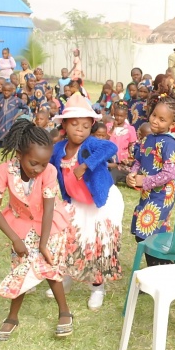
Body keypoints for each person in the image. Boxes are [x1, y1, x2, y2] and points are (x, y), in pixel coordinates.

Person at [0, 119, 72, 340]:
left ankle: (64, 311)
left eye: (43, 164)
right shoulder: (1, 172)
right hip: (21, 226)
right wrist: (15, 239)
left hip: (50, 224)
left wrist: (43, 243)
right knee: (21, 267)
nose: (39, 169)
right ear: (19, 153)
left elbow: (48, 209)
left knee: (49, 266)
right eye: (34, 163)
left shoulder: (49, 171)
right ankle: (13, 317)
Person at [47, 95, 124, 310]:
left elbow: (110, 148)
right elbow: (49, 167)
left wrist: (86, 164)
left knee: (96, 245)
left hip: (101, 203)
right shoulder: (58, 148)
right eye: (74, 124)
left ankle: (97, 288)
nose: (80, 130)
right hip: (76, 203)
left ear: (91, 126)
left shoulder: (90, 144)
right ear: (64, 125)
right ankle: (68, 277)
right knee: (71, 241)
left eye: (85, 125)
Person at [126, 93, 175, 268]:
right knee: (143, 234)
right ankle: (160, 268)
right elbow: (139, 159)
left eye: (162, 119)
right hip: (148, 195)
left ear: (172, 124)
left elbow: (169, 173)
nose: (155, 121)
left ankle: (163, 267)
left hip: (161, 196)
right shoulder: (148, 138)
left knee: (149, 234)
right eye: (154, 115)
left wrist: (145, 181)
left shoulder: (169, 143)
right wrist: (132, 174)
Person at [107, 101, 137, 166]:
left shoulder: (130, 129)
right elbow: (106, 139)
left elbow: (131, 145)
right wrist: (113, 128)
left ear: (125, 116)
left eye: (121, 116)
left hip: (123, 158)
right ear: (114, 115)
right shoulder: (108, 126)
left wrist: (130, 159)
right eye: (117, 115)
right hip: (109, 158)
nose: (118, 118)